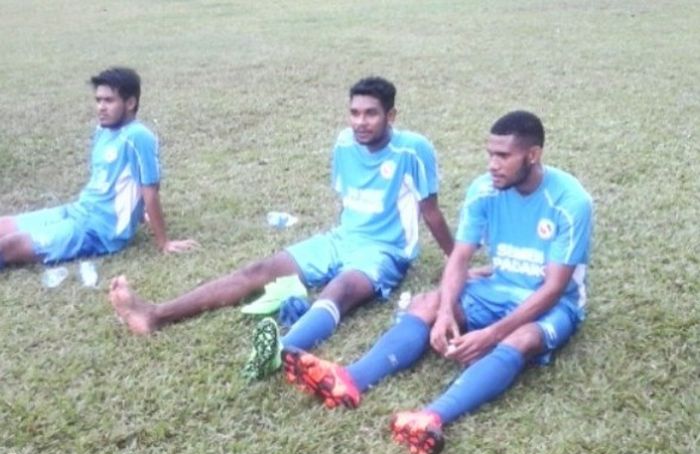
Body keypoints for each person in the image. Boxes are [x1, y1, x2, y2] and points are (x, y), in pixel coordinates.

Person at [282, 110, 594, 454]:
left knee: (522, 338)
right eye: (490, 153)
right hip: (496, 288)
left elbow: (553, 289)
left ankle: (431, 417)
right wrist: (446, 311)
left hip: (553, 303)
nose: (492, 164)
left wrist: (491, 335)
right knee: (428, 303)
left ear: (533, 155)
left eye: (503, 156)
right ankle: (350, 380)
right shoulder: (483, 190)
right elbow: (459, 258)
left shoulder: (570, 202)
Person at [109, 76, 454, 381]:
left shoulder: (413, 149)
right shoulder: (344, 143)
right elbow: (348, 198)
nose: (360, 122)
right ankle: (155, 314)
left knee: (342, 287)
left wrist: (456, 261)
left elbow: (431, 213)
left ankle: (278, 350)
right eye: (355, 113)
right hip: (340, 238)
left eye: (371, 114)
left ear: (390, 116)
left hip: (384, 250)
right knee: (259, 269)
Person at [0, 67, 197, 271]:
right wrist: (139, 214)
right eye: (98, 100)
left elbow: (149, 191)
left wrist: (163, 242)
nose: (101, 107)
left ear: (130, 103)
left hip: (98, 231)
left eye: (109, 101)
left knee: (9, 245)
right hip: (77, 211)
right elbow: (119, 181)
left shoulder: (138, 137)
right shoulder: (102, 131)